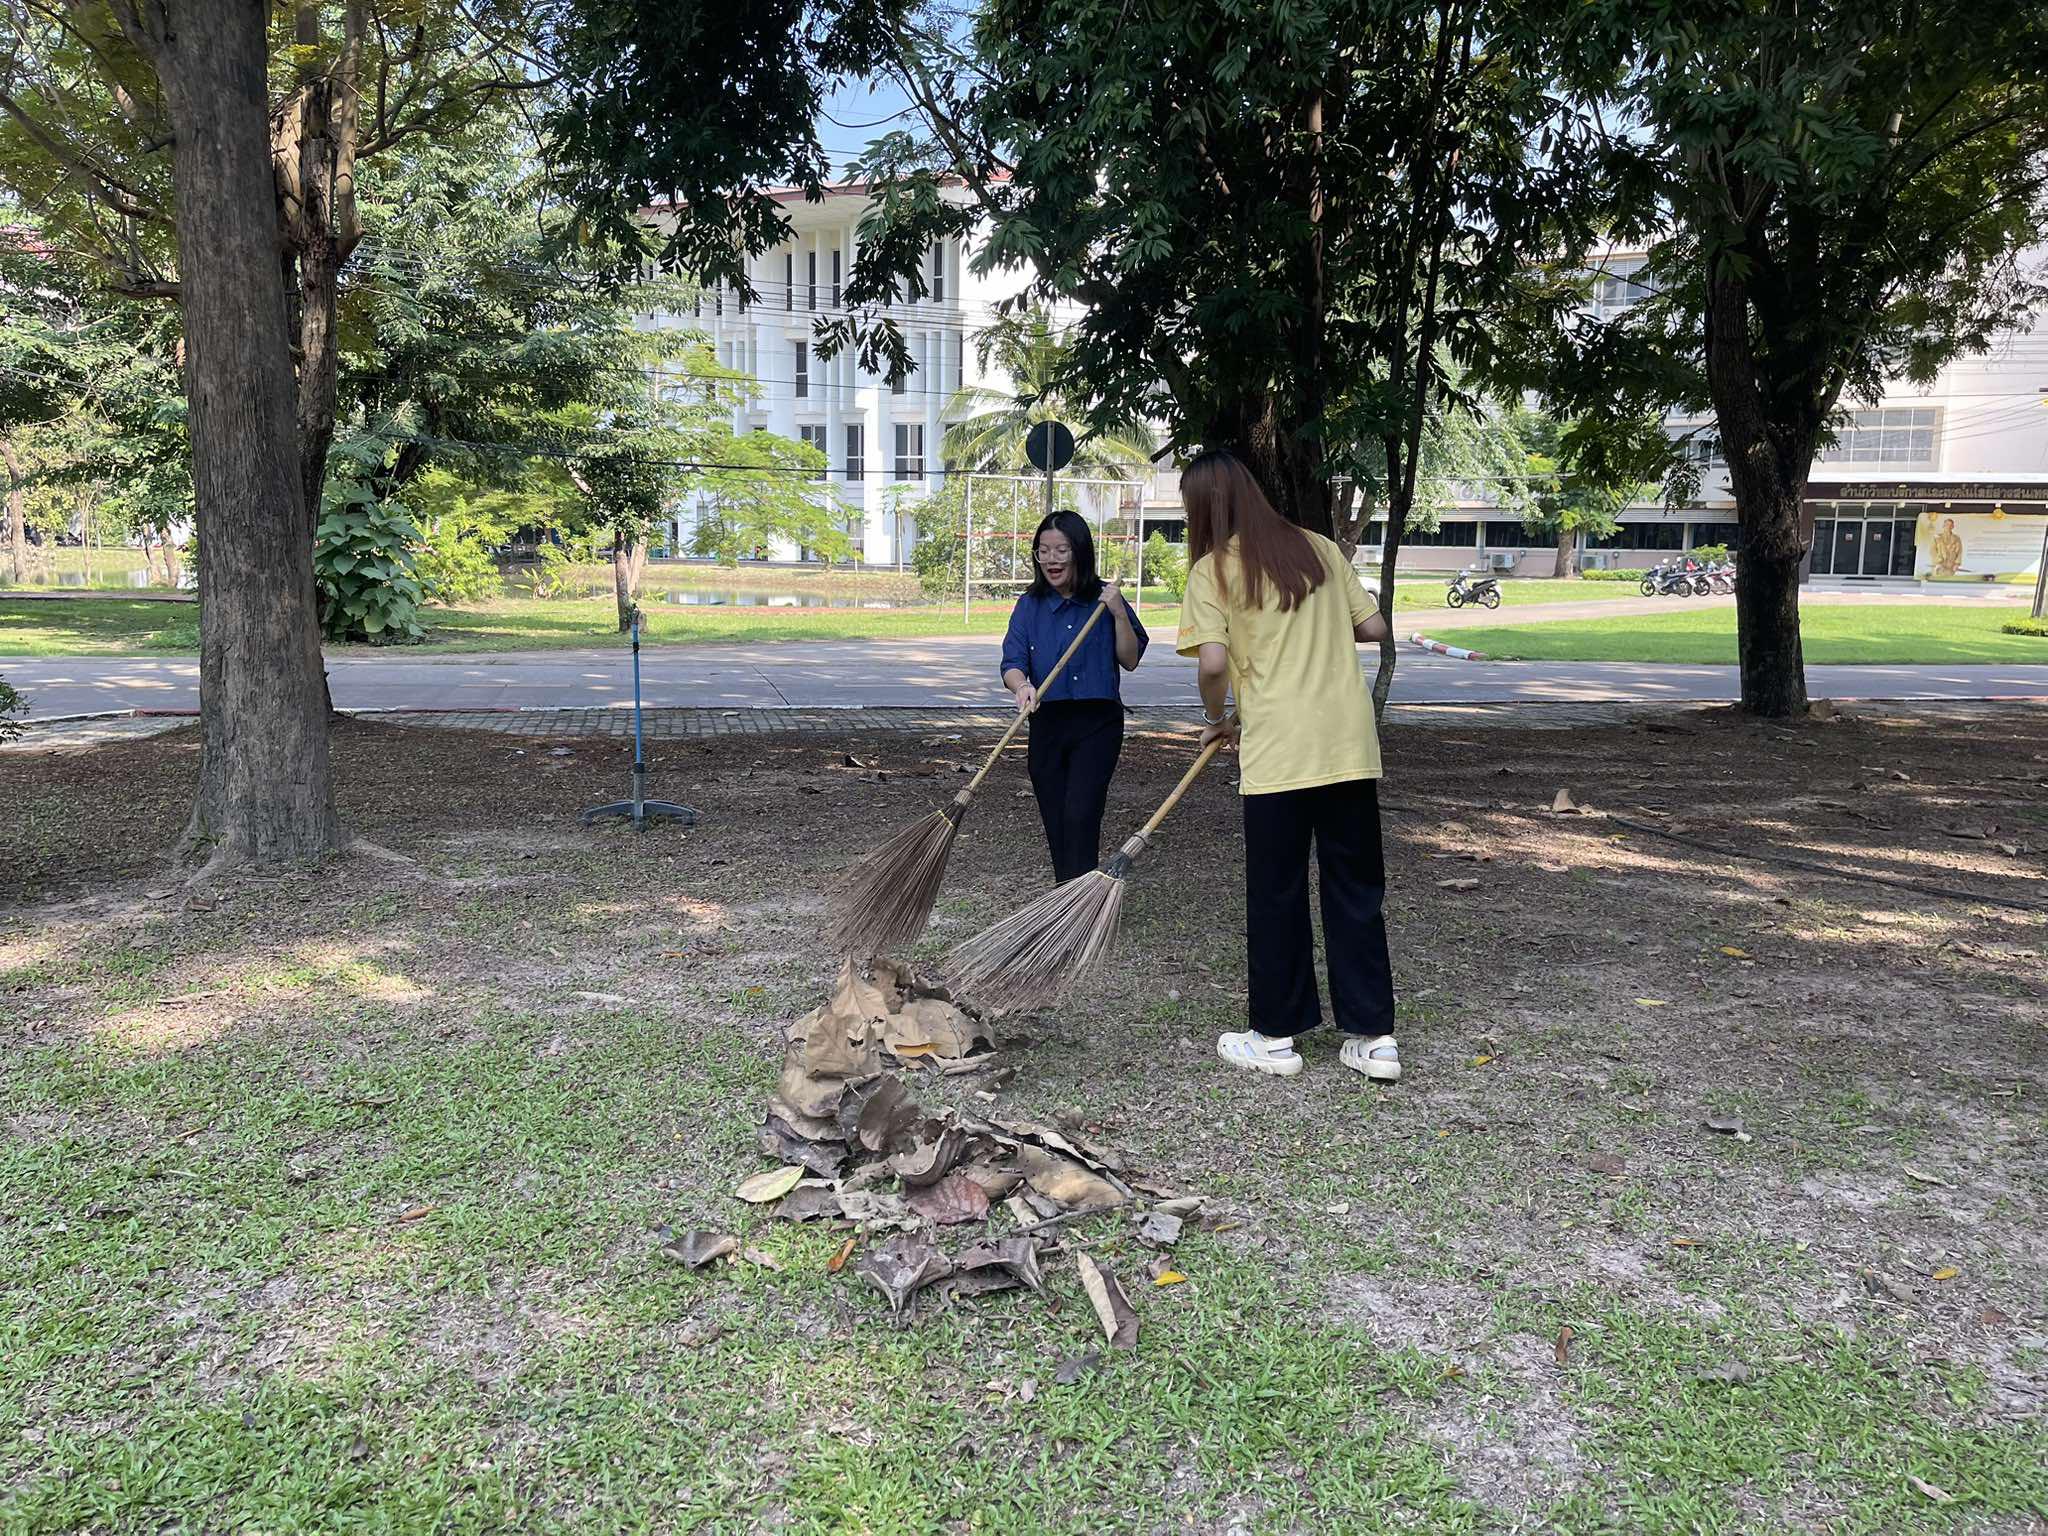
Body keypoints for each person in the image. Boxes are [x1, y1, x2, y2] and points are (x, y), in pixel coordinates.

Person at [1175, 450, 1400, 1082]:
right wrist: (1321, 621)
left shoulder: (1212, 570)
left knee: (1277, 892)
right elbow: (1376, 627)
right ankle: (1374, 1037)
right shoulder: (1322, 550)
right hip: (1349, 747)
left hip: (1279, 753)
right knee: (1356, 887)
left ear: (1204, 508)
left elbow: (1213, 664)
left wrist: (1218, 718)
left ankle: (1275, 1037)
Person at [1001, 509, 1149, 882]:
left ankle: (1076, 898)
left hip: (1097, 723)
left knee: (1081, 811)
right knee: (1055, 815)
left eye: (1061, 550)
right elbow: (1012, 664)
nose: (1051, 560)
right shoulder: (1029, 606)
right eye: (1043, 551)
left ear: (1079, 552)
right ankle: (1066, 892)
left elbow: (1130, 660)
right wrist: (1023, 687)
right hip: (1048, 722)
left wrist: (1117, 613)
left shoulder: (1105, 600)